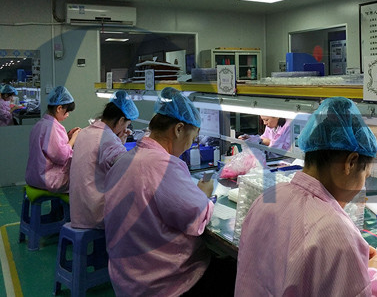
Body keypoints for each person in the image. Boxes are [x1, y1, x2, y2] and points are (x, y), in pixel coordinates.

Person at [235, 97, 377, 297]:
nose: (361, 186)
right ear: (351, 163)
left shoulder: (268, 198)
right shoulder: (335, 232)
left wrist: (350, 259)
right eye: (365, 175)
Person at [103, 87, 231, 297]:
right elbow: (197, 217)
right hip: (161, 283)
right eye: (192, 138)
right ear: (179, 129)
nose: (189, 146)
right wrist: (204, 194)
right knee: (235, 270)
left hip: (126, 277)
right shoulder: (162, 165)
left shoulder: (125, 160)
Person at [69, 90, 139, 229]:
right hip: (96, 214)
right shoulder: (108, 140)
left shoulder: (85, 132)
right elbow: (127, 170)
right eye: (126, 125)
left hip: (78, 209)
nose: (126, 129)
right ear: (120, 120)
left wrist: (119, 141)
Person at [25, 85, 80, 193]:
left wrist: (68, 136)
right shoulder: (53, 128)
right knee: (81, 179)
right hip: (48, 180)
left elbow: (50, 145)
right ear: (59, 108)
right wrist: (73, 139)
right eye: (67, 112)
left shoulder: (41, 124)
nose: (68, 115)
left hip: (33, 177)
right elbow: (62, 157)